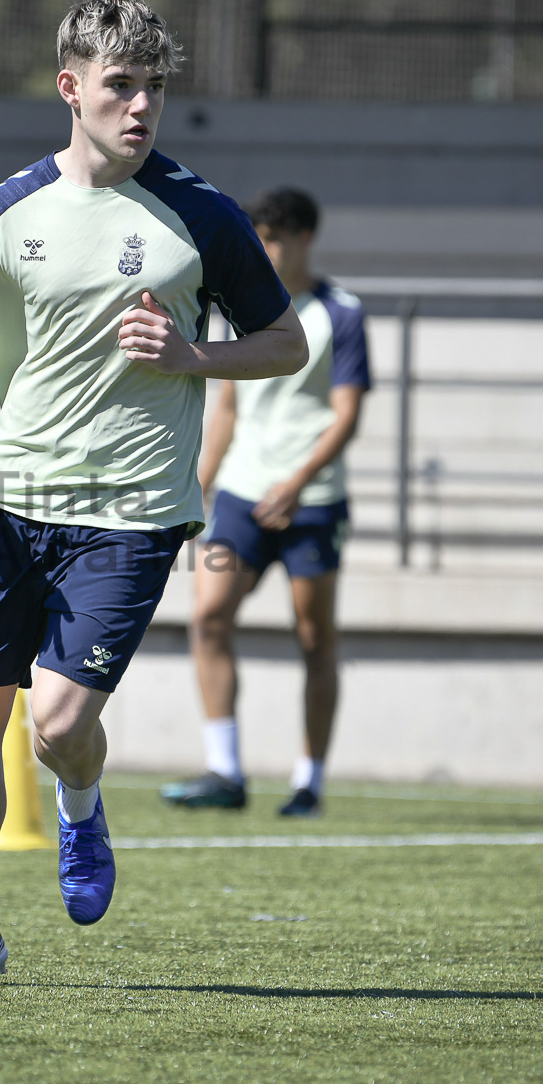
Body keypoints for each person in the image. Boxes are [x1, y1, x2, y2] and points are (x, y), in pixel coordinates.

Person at [0, 0, 307, 987]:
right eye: (120, 85)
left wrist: (193, 356)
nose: (141, 106)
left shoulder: (201, 214)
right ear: (70, 87)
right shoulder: (6, 213)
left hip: (132, 513)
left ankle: (81, 808)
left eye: (154, 87)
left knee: (57, 723)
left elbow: (286, 342)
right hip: (11, 503)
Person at [163, 188, 370, 818]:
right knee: (209, 617)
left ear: (305, 238)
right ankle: (225, 771)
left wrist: (298, 482)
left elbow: (346, 415)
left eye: (275, 239)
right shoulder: (245, 307)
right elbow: (227, 406)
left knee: (314, 639)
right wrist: (200, 482)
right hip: (242, 497)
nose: (266, 250)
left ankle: (309, 782)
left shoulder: (342, 313)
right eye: (259, 239)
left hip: (312, 505)